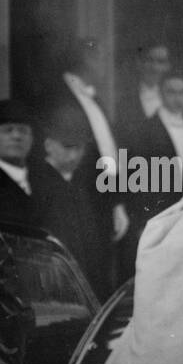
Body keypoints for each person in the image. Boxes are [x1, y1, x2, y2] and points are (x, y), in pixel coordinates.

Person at [50, 38, 130, 286]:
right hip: (75, 201)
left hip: (101, 200)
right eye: (102, 57)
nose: (107, 65)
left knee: (101, 277)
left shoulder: (93, 99)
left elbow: (107, 153)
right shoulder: (59, 97)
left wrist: (116, 202)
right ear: (86, 59)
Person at [119, 72, 183, 275]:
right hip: (160, 212)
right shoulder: (145, 130)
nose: (178, 98)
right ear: (161, 93)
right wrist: (143, 222)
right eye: (171, 92)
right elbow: (137, 180)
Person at [37, 104, 113, 299]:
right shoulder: (38, 185)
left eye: (79, 148)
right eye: (67, 147)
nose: (73, 156)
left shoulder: (83, 184)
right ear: (48, 145)